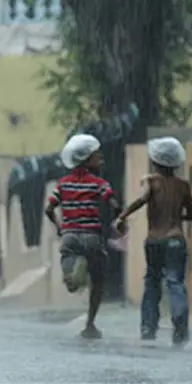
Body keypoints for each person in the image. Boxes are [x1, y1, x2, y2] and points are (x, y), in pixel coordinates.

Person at [114, 137, 192, 347]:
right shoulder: (183, 186)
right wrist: (177, 218)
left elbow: (141, 200)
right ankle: (180, 327)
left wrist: (122, 217)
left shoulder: (151, 181)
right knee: (175, 282)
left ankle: (148, 327)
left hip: (154, 241)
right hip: (176, 240)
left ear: (155, 161)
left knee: (152, 282)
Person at [45, 134, 123, 339]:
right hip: (92, 236)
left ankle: (73, 275)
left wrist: (59, 226)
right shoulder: (100, 183)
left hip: (70, 235)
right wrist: (118, 220)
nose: (101, 159)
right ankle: (90, 324)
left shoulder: (62, 184)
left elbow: (48, 209)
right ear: (87, 159)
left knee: (70, 276)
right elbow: (114, 204)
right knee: (98, 280)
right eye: (97, 156)